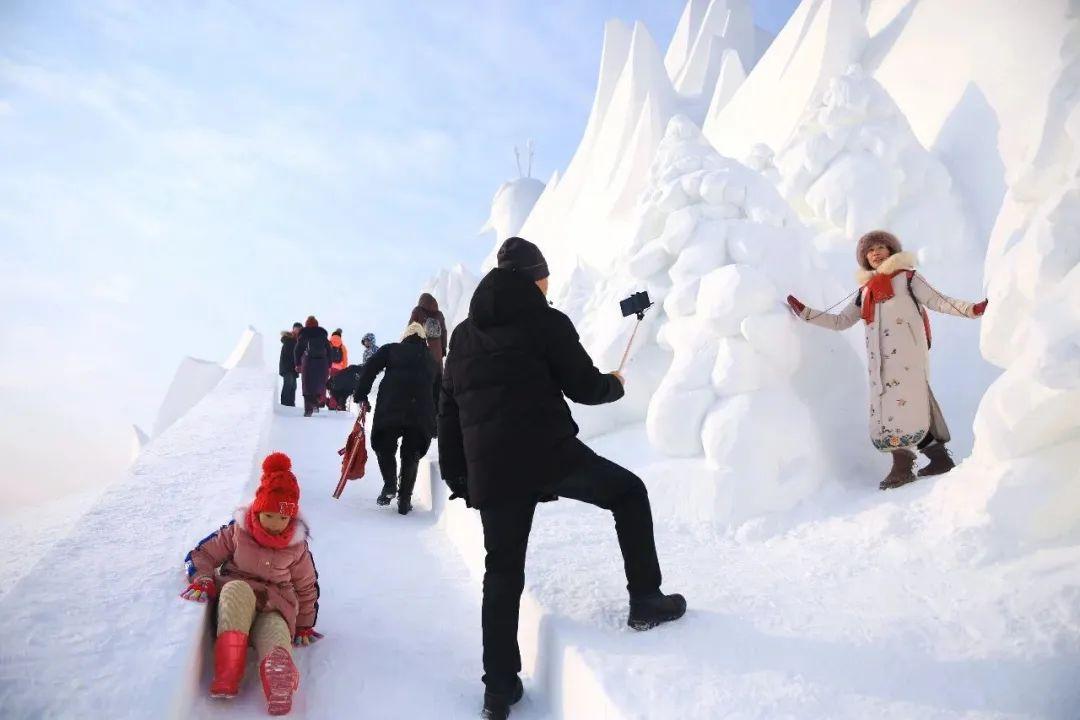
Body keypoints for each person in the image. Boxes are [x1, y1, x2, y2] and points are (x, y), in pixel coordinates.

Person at [438, 236, 686, 720]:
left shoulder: (463, 337)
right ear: (535, 276)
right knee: (629, 493)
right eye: (545, 275)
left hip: (492, 468)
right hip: (547, 452)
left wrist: (460, 475)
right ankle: (646, 599)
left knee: (502, 572)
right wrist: (613, 386)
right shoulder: (545, 320)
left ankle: (499, 690)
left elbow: (447, 413)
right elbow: (583, 386)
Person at [787, 230, 988, 490]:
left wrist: (972, 309)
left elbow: (938, 301)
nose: (876, 253)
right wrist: (805, 313)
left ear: (891, 251)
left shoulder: (907, 278)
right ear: (865, 259)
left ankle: (902, 466)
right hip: (880, 363)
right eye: (870, 251)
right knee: (908, 406)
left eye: (881, 247)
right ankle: (938, 459)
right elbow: (840, 321)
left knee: (900, 407)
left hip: (907, 357)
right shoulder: (866, 291)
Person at [181, 452, 322, 716]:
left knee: (277, 630)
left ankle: (278, 679)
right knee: (237, 589)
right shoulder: (238, 531)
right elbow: (203, 553)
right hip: (238, 600)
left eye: (283, 519)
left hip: (274, 605)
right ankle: (228, 671)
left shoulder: (297, 547)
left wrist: (304, 623)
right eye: (270, 515)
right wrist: (201, 577)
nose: (276, 524)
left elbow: (306, 585)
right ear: (258, 508)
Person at [352, 322, 438, 514]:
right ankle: (405, 501)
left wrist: (360, 395)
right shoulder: (431, 360)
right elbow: (439, 393)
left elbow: (370, 369)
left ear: (405, 337)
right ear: (424, 340)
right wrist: (436, 423)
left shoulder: (392, 349)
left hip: (391, 407)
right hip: (420, 412)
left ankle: (390, 484)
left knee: (384, 445)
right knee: (412, 453)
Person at [409, 294, 447, 409]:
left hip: (422, 357)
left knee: (423, 393)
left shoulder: (418, 311)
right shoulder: (439, 315)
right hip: (437, 359)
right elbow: (444, 332)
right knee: (438, 392)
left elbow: (411, 329)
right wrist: (443, 349)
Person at [294, 316, 332, 417]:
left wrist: (297, 363)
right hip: (322, 362)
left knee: (307, 385)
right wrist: (329, 365)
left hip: (308, 362)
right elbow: (329, 350)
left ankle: (308, 410)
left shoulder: (304, 333)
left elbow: (297, 350)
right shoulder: (322, 334)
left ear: (306, 324)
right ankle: (316, 402)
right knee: (320, 384)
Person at [278, 323, 302, 407]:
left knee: (293, 386)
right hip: (287, 367)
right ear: (293, 329)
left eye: (299, 329)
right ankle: (284, 403)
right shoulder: (289, 339)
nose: (298, 330)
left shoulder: (298, 341)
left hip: (293, 368)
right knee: (288, 383)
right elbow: (289, 354)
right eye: (296, 328)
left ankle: (291, 404)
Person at [327, 329, 350, 411]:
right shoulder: (342, 346)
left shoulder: (328, 343)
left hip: (329, 368)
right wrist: (344, 370)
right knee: (338, 387)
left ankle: (332, 405)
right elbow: (345, 359)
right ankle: (337, 404)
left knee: (330, 386)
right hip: (339, 370)